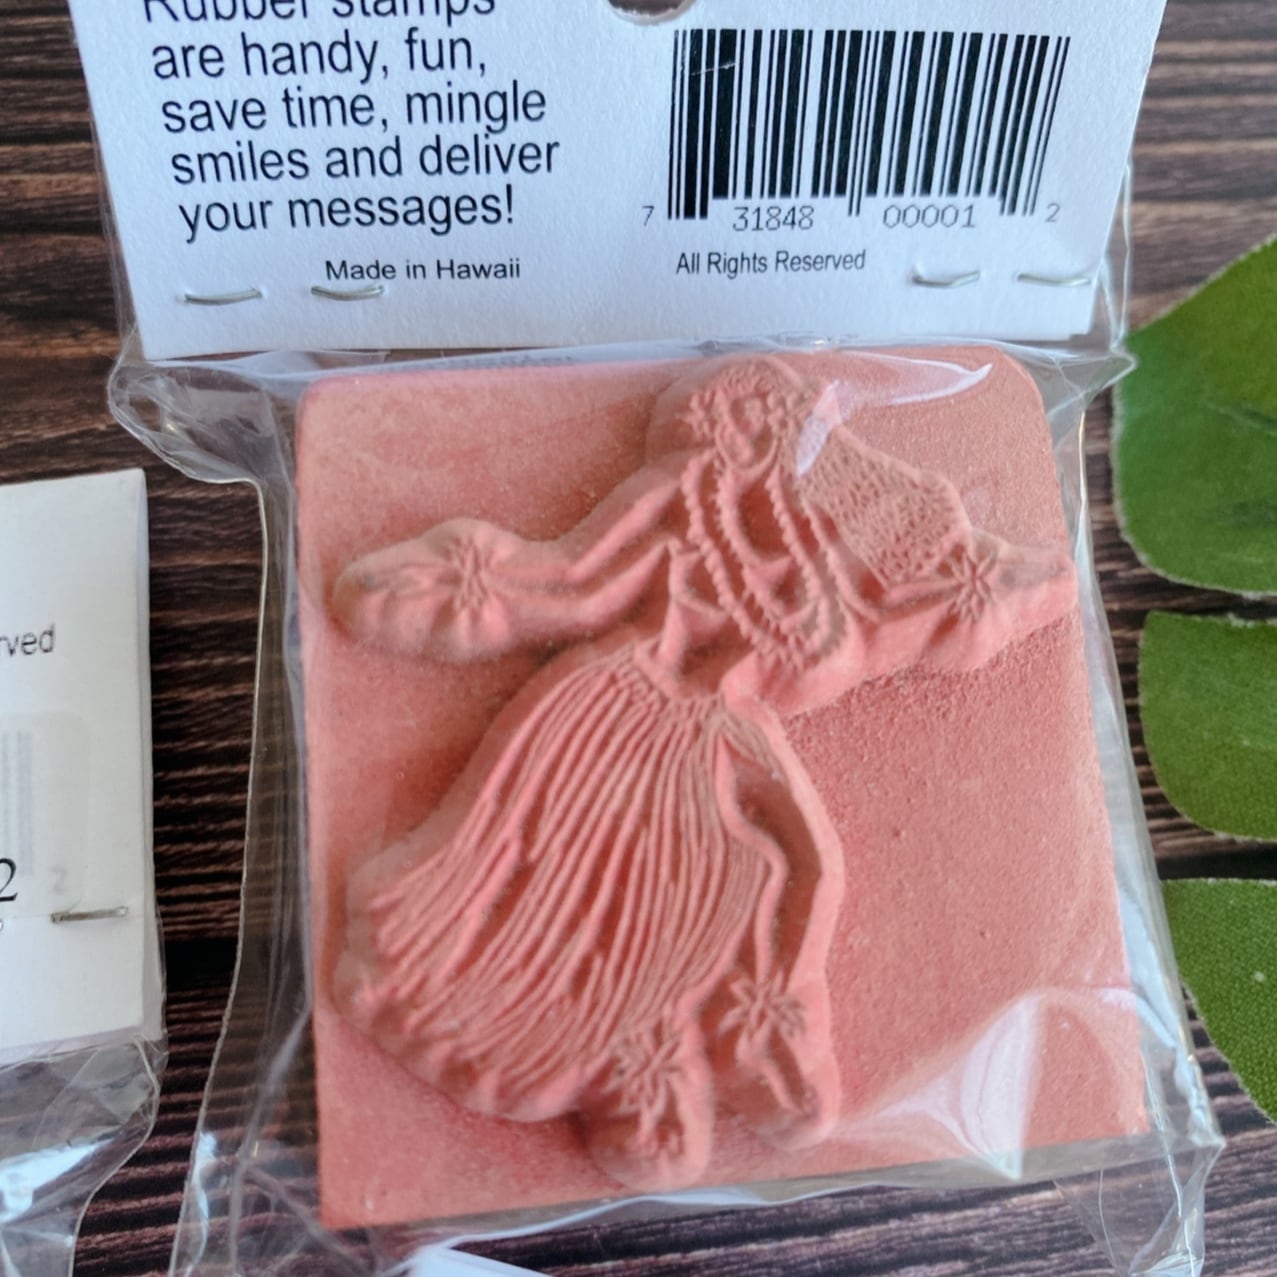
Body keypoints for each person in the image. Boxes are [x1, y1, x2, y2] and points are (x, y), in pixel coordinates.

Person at [330, 353, 1075, 1190]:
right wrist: (462, 584)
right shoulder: (677, 504)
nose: (787, 446)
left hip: (714, 728)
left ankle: (748, 1027)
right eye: (772, 426)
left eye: (795, 433)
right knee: (612, 875)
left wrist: (986, 575)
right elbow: (573, 582)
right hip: (620, 709)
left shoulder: (817, 553)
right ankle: (628, 1059)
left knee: (792, 859)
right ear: (730, 428)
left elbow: (918, 597)